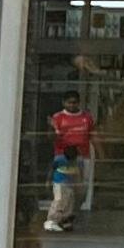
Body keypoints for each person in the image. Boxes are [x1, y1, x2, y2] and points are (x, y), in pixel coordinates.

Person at [40, 92, 93, 231]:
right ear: (64, 103)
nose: (72, 105)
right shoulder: (58, 118)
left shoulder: (86, 117)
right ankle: (55, 218)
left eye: (74, 102)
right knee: (63, 191)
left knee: (80, 191)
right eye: (69, 102)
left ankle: (68, 217)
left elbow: (93, 135)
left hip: (82, 156)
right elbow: (50, 137)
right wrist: (51, 127)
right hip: (63, 157)